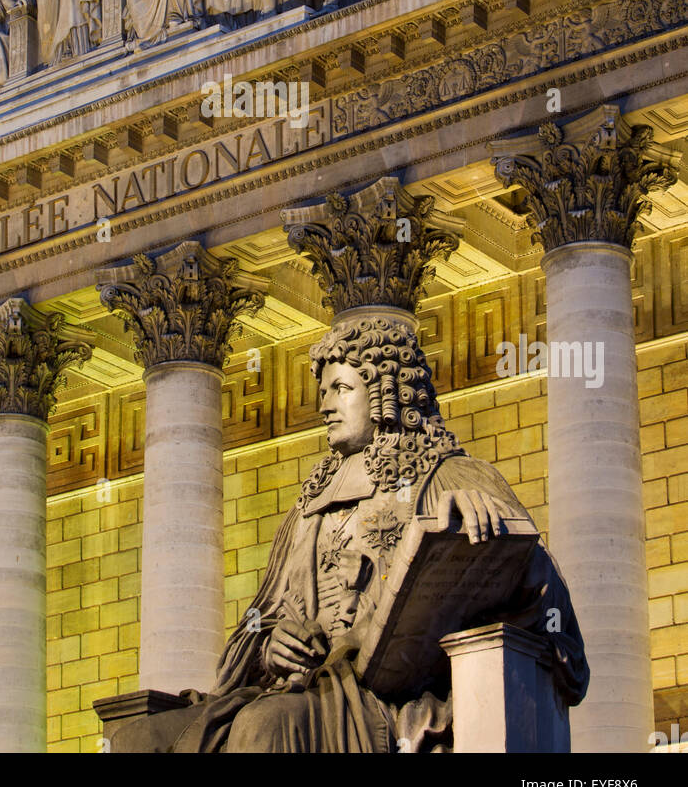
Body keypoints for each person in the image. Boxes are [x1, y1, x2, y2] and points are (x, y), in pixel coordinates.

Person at [107, 313, 588, 753]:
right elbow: (252, 632)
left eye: (341, 389)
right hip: (303, 691)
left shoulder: (453, 479)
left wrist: (491, 527)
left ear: (384, 392)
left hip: (384, 702)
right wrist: (271, 645)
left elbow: (553, 613)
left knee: (265, 727)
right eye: (324, 392)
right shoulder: (309, 507)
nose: (325, 407)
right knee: (136, 740)